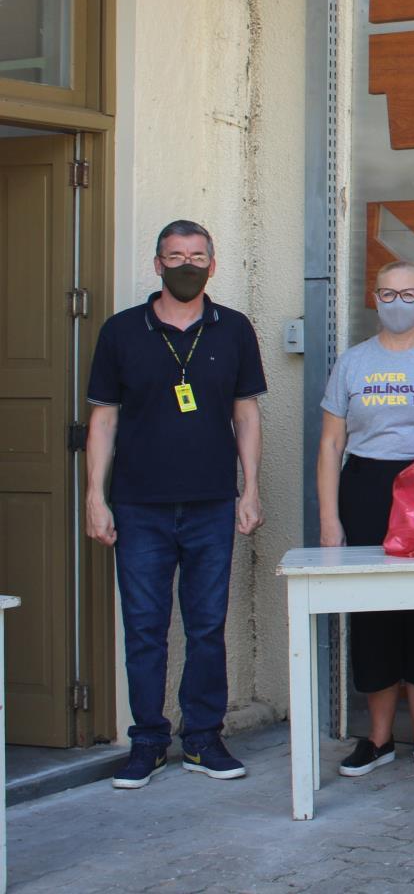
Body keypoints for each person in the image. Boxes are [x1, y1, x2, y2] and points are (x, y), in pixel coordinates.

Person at [85, 220, 267, 789]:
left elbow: (246, 412)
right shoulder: (121, 331)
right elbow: (105, 417)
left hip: (213, 503)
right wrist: (95, 494)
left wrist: (251, 487)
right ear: (157, 263)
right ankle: (147, 743)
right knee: (144, 627)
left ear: (212, 265)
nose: (185, 264)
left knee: (207, 626)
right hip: (139, 506)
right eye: (174, 255)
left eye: (196, 256)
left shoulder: (233, 329)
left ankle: (203, 738)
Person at [317, 260, 414, 778]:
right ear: (375, 298)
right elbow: (331, 443)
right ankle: (379, 737)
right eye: (388, 293)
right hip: (366, 489)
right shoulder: (353, 363)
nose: (398, 303)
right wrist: (329, 519)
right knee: (373, 612)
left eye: (409, 294)